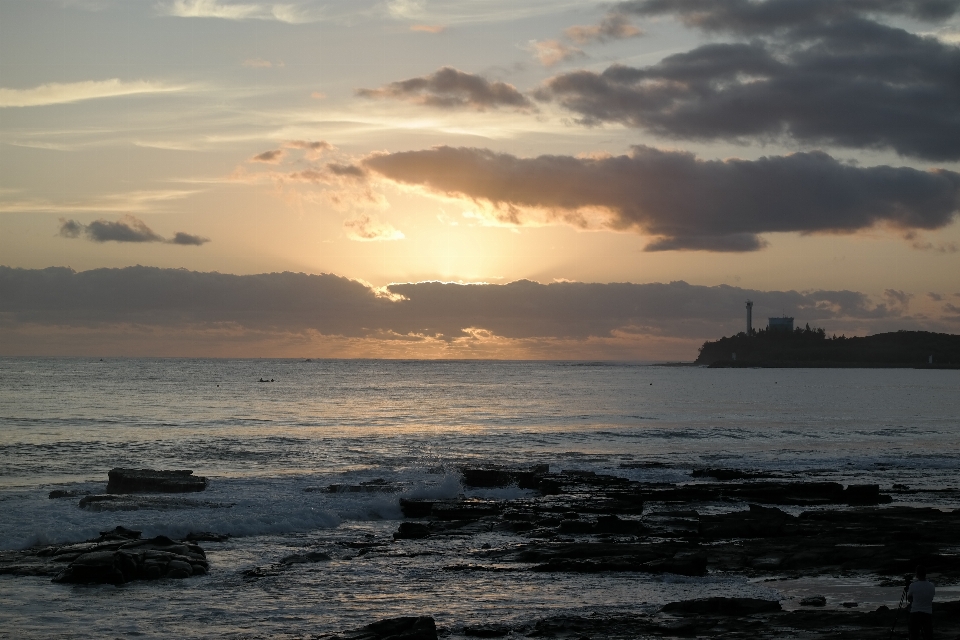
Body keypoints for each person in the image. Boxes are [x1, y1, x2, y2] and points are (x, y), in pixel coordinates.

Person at [907, 565, 935, 640]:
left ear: (917, 574)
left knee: (914, 635)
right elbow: (931, 598)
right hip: (927, 613)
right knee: (928, 635)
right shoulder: (931, 586)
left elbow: (909, 598)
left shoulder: (913, 585)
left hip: (915, 612)